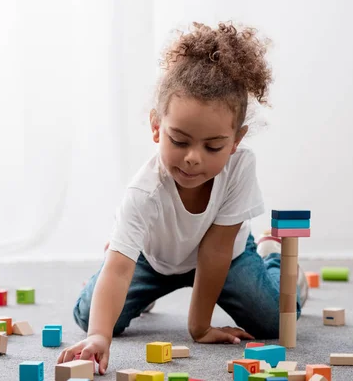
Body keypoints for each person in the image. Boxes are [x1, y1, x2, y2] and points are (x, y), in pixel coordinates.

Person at [57, 21, 309, 375]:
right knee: (90, 318)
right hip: (156, 260)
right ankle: (120, 246)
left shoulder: (240, 167)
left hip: (227, 257)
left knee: (277, 321)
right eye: (179, 141)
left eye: (213, 146)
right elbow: (119, 270)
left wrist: (200, 327)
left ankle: (277, 260)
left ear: (235, 141)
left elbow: (216, 250)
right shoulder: (143, 192)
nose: (193, 157)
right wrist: (99, 336)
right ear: (157, 127)